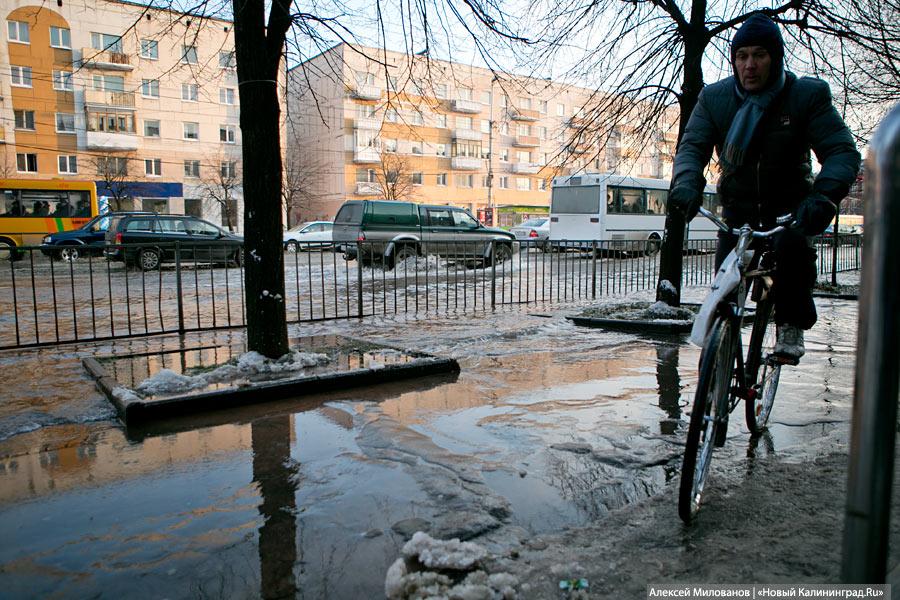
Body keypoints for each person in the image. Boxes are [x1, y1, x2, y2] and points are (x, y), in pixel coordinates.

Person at [669, 13, 861, 361]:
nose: (750, 65)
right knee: (723, 292)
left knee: (793, 252)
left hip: (790, 211)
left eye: (759, 55)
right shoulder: (715, 98)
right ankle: (718, 364)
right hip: (738, 212)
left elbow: (841, 152)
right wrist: (686, 183)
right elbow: (692, 146)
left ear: (775, 58)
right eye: (742, 56)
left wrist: (824, 197)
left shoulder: (805, 96)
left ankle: (790, 325)